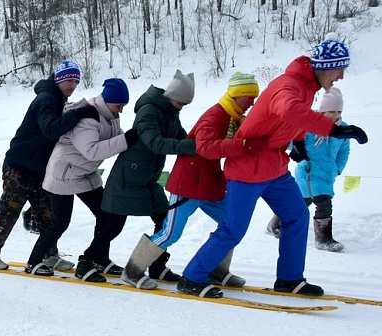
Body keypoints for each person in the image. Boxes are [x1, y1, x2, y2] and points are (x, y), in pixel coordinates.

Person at [178, 34, 368, 298]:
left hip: (274, 168)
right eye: (340, 69)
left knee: (297, 215)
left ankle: (289, 279)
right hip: (246, 169)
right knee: (233, 229)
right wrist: (333, 129)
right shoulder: (289, 85)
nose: (342, 77)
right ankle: (192, 277)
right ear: (324, 66)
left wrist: (299, 142)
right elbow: (289, 110)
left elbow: (291, 120)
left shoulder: (307, 87)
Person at [121, 72, 266, 290]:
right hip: (188, 184)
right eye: (249, 97)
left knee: (231, 223)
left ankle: (217, 270)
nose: (252, 102)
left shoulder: (233, 117)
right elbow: (205, 147)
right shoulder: (214, 116)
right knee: (171, 233)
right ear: (237, 96)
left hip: (209, 185)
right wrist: (242, 145)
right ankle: (132, 271)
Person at [0, 60, 100, 270]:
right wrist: (78, 113)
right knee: (9, 211)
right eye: (69, 80)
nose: (73, 85)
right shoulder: (47, 99)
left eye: (76, 81)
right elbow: (51, 129)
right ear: (59, 79)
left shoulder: (58, 99)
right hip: (19, 166)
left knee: (48, 214)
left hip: (40, 169)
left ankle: (48, 254)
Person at [24, 78, 137, 277]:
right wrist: (126, 140)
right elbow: (92, 151)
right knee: (60, 223)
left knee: (107, 215)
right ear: (108, 100)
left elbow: (116, 137)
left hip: (84, 173)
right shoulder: (89, 117)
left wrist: (132, 139)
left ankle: (100, 259)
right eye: (119, 105)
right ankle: (33, 262)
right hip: (64, 174)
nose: (120, 110)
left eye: (123, 106)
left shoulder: (109, 115)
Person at [92, 70, 198, 282]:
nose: (183, 107)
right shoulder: (149, 111)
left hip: (147, 178)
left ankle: (158, 266)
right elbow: (156, 143)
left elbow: (180, 136)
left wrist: (200, 143)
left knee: (164, 222)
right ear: (173, 97)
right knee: (112, 226)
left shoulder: (170, 111)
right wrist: (192, 146)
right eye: (182, 103)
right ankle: (88, 260)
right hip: (128, 177)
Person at [267, 86, 350, 252]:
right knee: (306, 203)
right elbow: (289, 139)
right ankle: (321, 238)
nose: (336, 116)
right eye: (332, 112)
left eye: (339, 111)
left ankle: (277, 224)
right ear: (322, 111)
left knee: (314, 203)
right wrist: (295, 149)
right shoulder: (309, 126)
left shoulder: (342, 128)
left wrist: (337, 169)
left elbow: (344, 151)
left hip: (326, 173)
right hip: (307, 173)